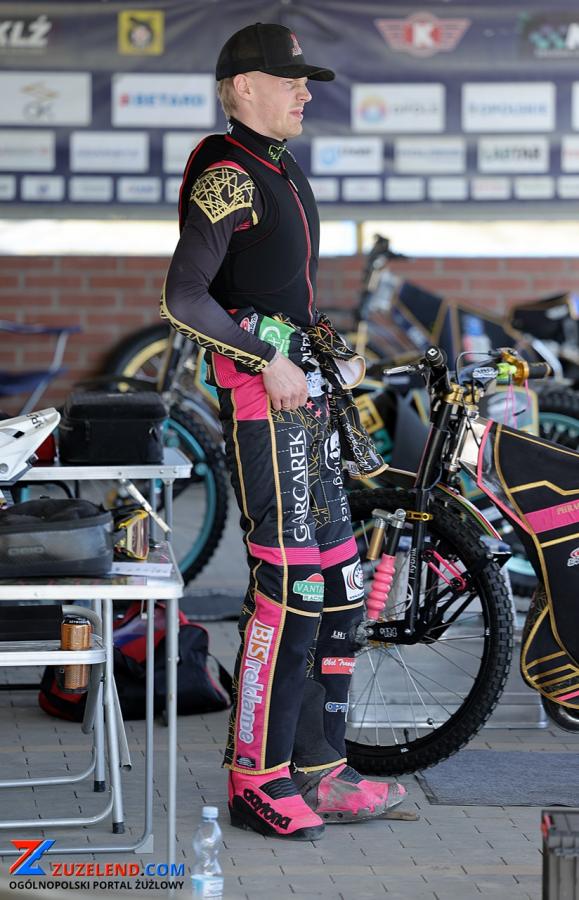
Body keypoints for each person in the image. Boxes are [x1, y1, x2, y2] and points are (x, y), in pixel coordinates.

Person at [162, 22, 406, 841]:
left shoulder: (279, 163)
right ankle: (255, 780)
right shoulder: (227, 170)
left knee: (338, 585)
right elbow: (184, 296)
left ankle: (318, 767)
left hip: (308, 400)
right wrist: (265, 357)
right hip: (264, 408)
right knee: (290, 589)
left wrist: (328, 348)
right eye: (288, 78)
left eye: (306, 79)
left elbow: (284, 296)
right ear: (242, 87)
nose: (304, 91)